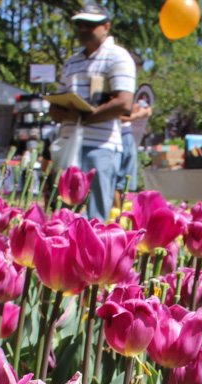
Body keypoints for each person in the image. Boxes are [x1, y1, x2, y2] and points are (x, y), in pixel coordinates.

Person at [50, 3, 136, 221]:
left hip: (101, 146)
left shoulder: (118, 56)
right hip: (70, 143)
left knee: (96, 214)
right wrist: (64, 112)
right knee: (65, 213)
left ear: (106, 26)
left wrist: (84, 117)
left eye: (90, 24)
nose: (83, 29)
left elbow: (124, 103)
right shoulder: (71, 62)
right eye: (80, 24)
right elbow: (54, 107)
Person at [115, 86, 152, 209]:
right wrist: (137, 116)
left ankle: (122, 216)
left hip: (125, 136)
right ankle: (116, 217)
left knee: (125, 182)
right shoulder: (114, 91)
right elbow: (114, 117)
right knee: (117, 182)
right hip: (118, 136)